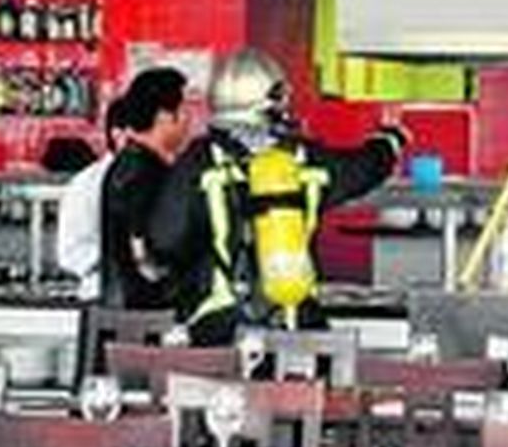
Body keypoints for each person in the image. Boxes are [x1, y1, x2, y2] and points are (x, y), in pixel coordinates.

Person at [146, 49, 406, 346]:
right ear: (271, 102)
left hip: (218, 326)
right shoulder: (304, 157)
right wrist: (389, 142)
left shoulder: (199, 160)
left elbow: (164, 240)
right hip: (297, 328)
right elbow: (362, 169)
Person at [100, 67, 191, 311]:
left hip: (131, 311)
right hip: (141, 317)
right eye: (184, 110)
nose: (189, 119)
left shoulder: (134, 164)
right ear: (164, 116)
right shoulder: (140, 172)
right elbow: (143, 253)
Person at [56, 94, 133, 302]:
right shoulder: (85, 184)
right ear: (118, 135)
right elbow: (70, 254)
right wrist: (123, 256)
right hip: (102, 298)